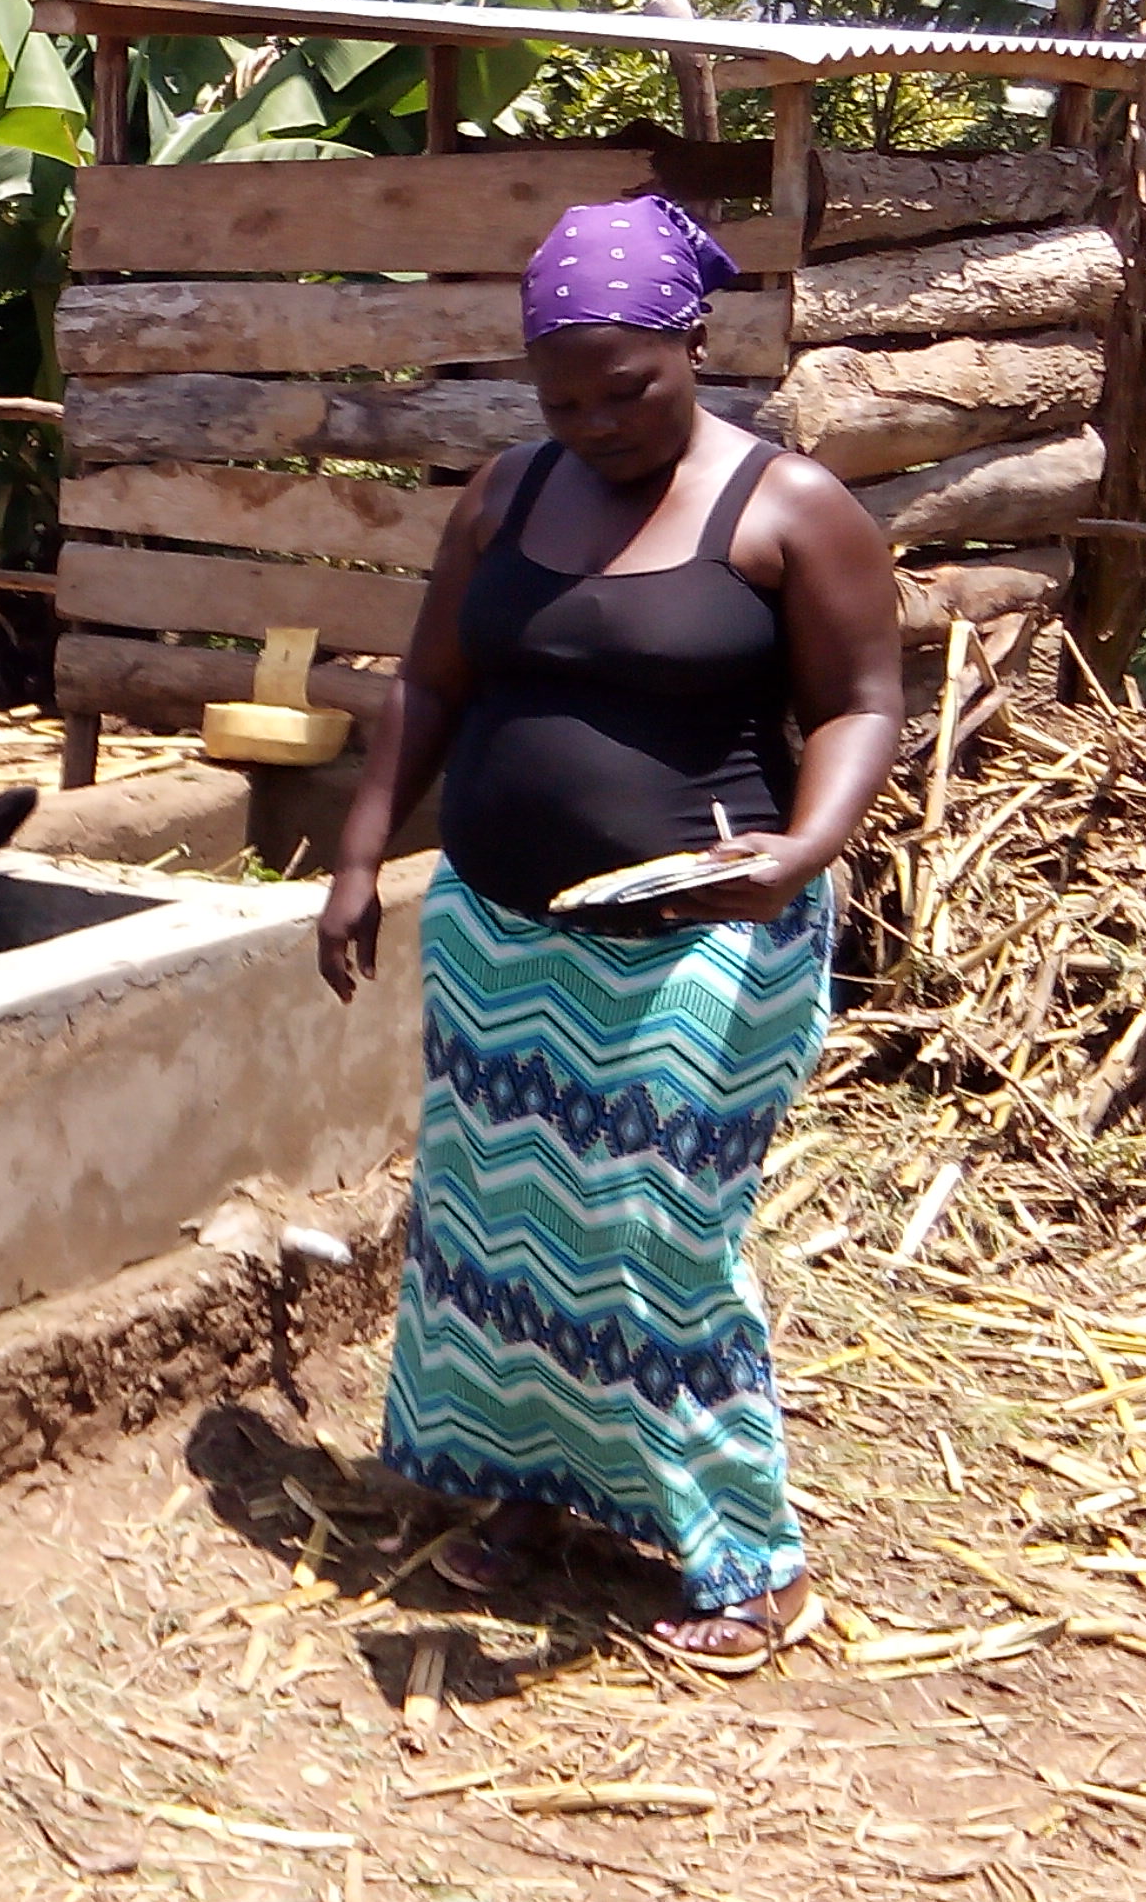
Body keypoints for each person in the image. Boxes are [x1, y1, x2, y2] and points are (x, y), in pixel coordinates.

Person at [314, 193, 903, 1671]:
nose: (593, 421)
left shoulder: (787, 508)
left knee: (652, 1236)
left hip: (699, 943)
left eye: (625, 387)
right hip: (502, 936)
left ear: (691, 343)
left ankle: (750, 1561)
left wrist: (803, 850)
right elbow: (432, 683)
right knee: (500, 1227)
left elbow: (860, 706)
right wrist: (360, 850)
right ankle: (538, 1489)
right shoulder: (508, 492)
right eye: (560, 394)